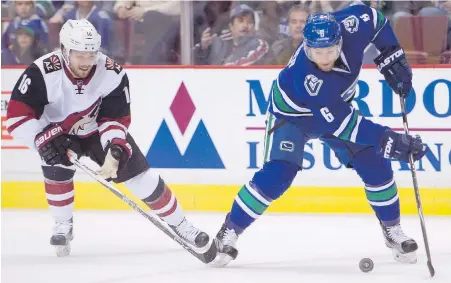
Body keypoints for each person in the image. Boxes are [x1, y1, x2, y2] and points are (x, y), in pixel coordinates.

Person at [213, 5, 429, 267]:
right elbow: (345, 126)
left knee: (374, 163)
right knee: (278, 174)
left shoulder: (354, 23)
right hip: (292, 116)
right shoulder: (307, 77)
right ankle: (229, 231)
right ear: (306, 47)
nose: (324, 59)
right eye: (317, 52)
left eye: (329, 51)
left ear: (340, 42)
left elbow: (376, 20)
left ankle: (393, 231)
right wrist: (391, 142)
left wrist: (392, 54)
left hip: (336, 109)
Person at [6, 19, 210, 257]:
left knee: (140, 176)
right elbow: (16, 117)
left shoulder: (112, 72)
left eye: (91, 55)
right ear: (64, 51)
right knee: (55, 168)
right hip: (57, 131)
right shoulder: (41, 71)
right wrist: (41, 138)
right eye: (79, 55)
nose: (86, 62)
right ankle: (63, 224)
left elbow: (114, 119)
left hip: (96, 131)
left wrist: (114, 148)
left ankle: (182, 225)